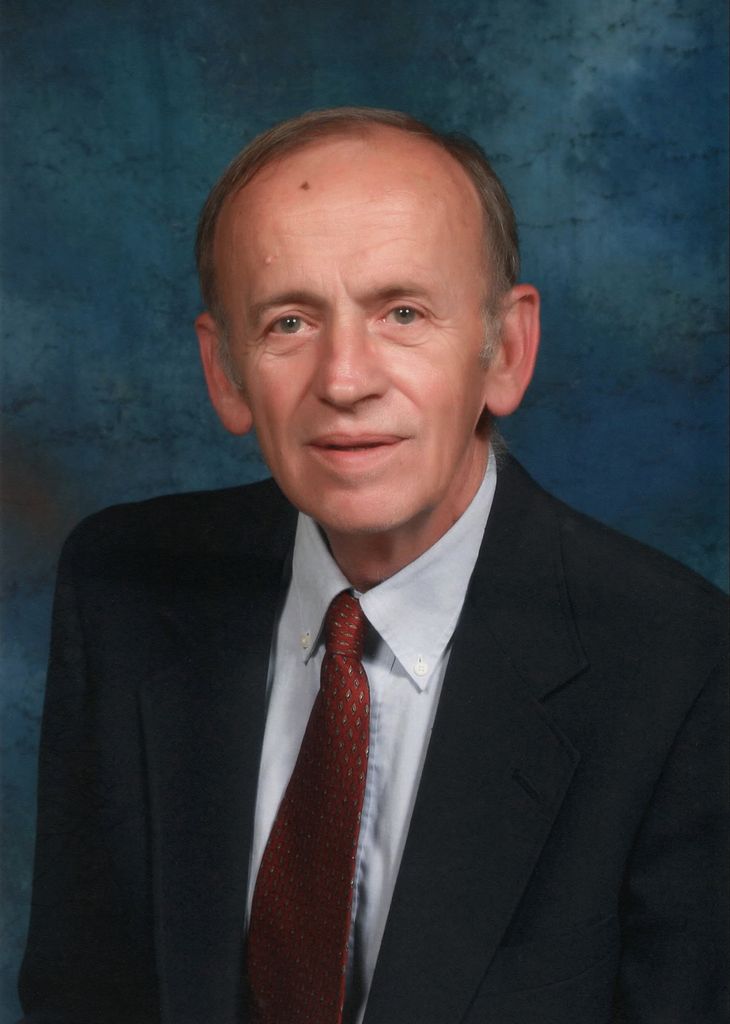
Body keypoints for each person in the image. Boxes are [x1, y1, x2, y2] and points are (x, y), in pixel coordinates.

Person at [19, 107, 727, 1024]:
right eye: (288, 322)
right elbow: (79, 995)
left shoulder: (680, 667)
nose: (345, 380)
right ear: (226, 372)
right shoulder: (123, 588)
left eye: (402, 313)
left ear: (505, 352)